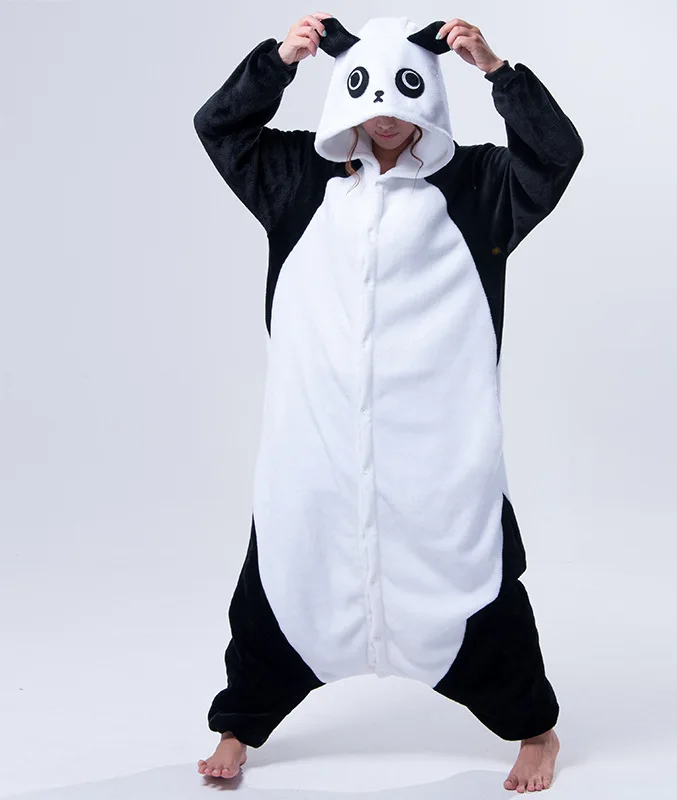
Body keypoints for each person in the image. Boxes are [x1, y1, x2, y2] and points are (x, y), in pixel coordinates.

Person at [193, 12, 583, 793]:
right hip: (318, 433)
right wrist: (278, 61)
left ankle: (535, 730)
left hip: (437, 441)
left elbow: (556, 154)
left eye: (405, 94)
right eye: (367, 93)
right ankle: (239, 724)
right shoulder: (295, 176)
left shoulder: (479, 186)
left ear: (428, 95)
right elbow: (219, 128)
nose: (386, 113)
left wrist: (497, 70)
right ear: (344, 91)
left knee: (475, 580)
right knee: (284, 574)